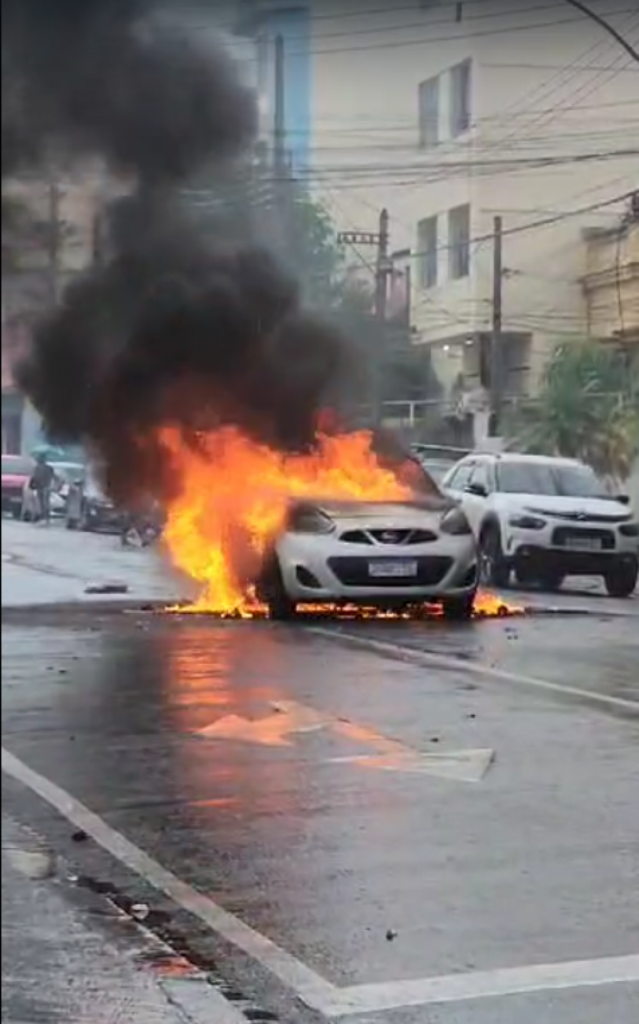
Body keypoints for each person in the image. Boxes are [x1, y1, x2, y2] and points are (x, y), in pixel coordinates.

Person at [29, 454, 55, 525]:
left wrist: (31, 485)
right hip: (47, 486)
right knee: (45, 502)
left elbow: (34, 477)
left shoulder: (37, 468)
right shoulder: (49, 468)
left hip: (40, 487)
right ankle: (46, 516)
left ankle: (42, 515)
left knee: (41, 502)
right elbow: (53, 477)